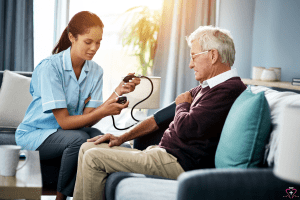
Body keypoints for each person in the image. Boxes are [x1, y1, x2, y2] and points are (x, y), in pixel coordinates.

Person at [72, 26, 247, 200]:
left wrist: (183, 105)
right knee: (87, 147)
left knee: (94, 158)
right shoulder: (208, 86)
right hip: (162, 154)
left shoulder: (228, 89)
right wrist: (121, 138)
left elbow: (187, 127)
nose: (190, 64)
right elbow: (158, 118)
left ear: (213, 55)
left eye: (194, 56)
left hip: (178, 163)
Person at [15, 11, 140, 200]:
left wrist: (118, 92)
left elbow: (88, 120)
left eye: (98, 42)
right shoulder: (51, 67)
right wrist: (105, 110)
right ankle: (61, 198)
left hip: (68, 133)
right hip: (36, 134)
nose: (94, 48)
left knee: (99, 138)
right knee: (78, 139)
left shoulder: (95, 71)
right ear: (72, 37)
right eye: (88, 42)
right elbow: (65, 123)